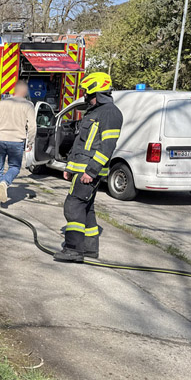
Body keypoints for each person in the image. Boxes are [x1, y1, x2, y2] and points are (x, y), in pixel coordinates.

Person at [53, 72, 123, 263]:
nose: (84, 94)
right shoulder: (94, 112)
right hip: (81, 169)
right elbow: (81, 144)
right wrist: (69, 167)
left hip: (89, 171)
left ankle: (73, 249)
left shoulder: (109, 113)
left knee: (73, 206)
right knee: (86, 208)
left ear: (95, 91)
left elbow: (107, 146)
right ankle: (89, 248)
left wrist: (91, 171)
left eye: (86, 91)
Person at [0, 80, 36, 205]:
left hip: (0, 140)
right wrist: (30, 142)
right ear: (25, 92)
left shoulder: (2, 103)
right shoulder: (28, 105)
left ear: (14, 90)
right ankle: (5, 182)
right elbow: (33, 127)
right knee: (15, 167)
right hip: (17, 142)